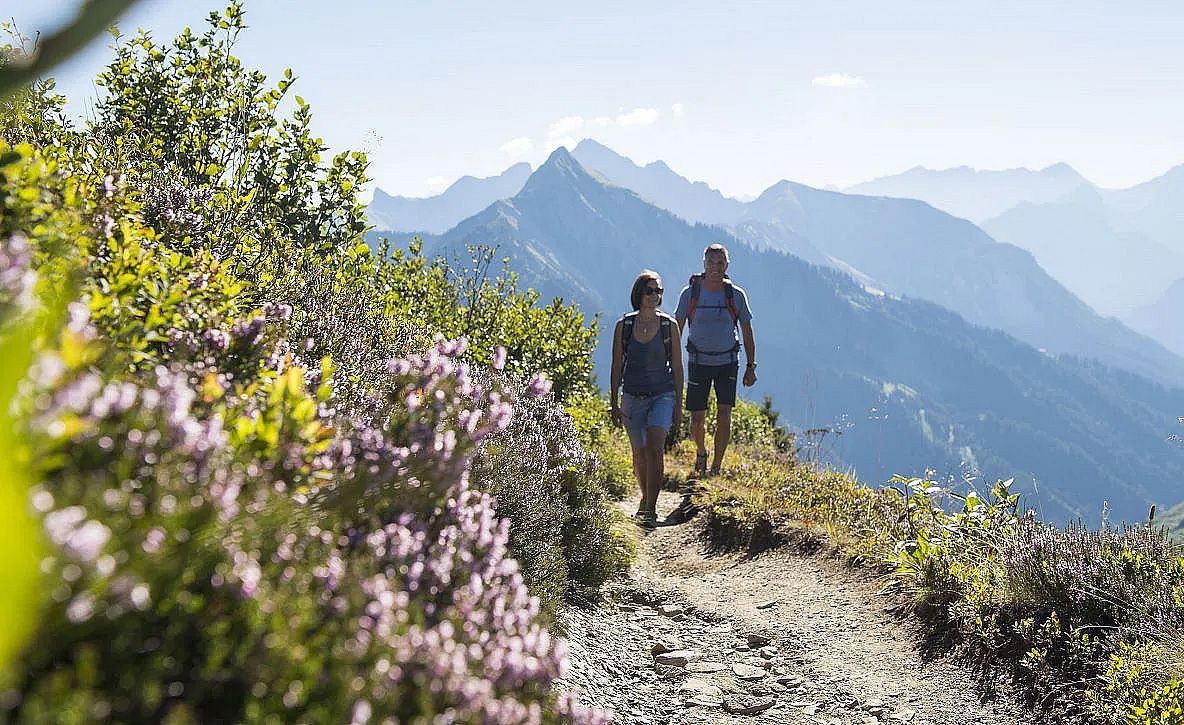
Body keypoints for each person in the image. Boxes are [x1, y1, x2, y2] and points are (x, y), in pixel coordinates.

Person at [675, 243, 756, 477]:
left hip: (727, 362)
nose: (715, 267)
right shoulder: (690, 294)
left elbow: (747, 331)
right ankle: (701, 451)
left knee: (724, 414)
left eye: (720, 263)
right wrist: (672, 362)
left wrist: (751, 366)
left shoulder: (735, 295)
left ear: (727, 265)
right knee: (696, 418)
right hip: (698, 363)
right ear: (704, 264)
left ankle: (716, 466)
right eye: (711, 262)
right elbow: (676, 328)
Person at [610, 270, 683, 527]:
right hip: (631, 397)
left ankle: (651, 508)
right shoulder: (625, 326)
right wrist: (613, 402)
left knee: (655, 447)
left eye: (659, 291)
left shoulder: (668, 326)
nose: (655, 295)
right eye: (650, 290)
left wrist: (678, 404)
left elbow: (677, 366)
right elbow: (616, 366)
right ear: (639, 294)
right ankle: (645, 497)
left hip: (662, 395)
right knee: (639, 454)